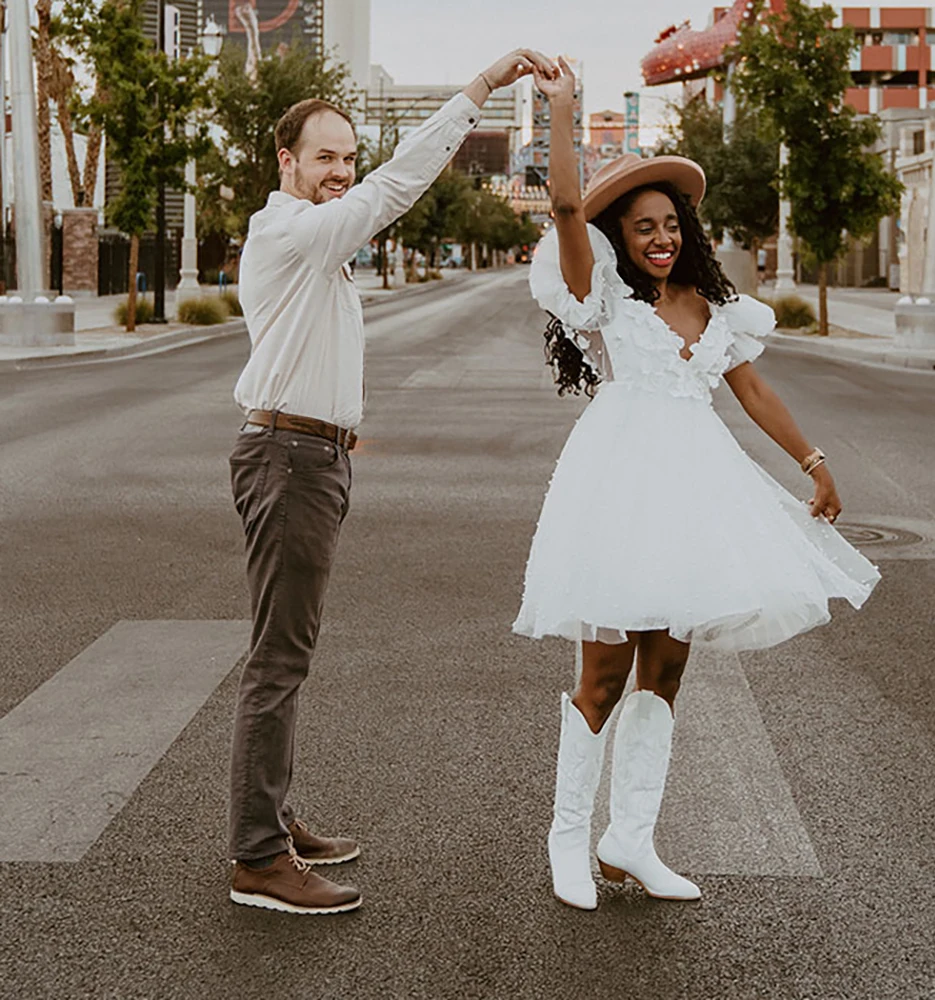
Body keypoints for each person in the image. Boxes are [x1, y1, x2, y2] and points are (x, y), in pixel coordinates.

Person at [514, 59, 880, 911]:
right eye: (641, 226)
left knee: (667, 671)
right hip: (619, 488)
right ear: (618, 235)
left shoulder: (714, 308)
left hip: (694, 495)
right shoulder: (600, 293)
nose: (659, 238)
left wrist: (814, 462)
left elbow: (751, 390)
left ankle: (630, 838)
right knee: (601, 676)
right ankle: (570, 836)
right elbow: (568, 205)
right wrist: (563, 112)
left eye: (669, 223)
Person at [227, 48, 559, 916]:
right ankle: (258, 858)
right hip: (290, 461)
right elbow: (392, 188)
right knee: (279, 657)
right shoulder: (291, 230)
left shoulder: (311, 239)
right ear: (286, 161)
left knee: (285, 651)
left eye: (347, 155)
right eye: (325, 157)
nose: (341, 172)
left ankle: (275, 822)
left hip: (312, 457)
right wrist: (480, 92)